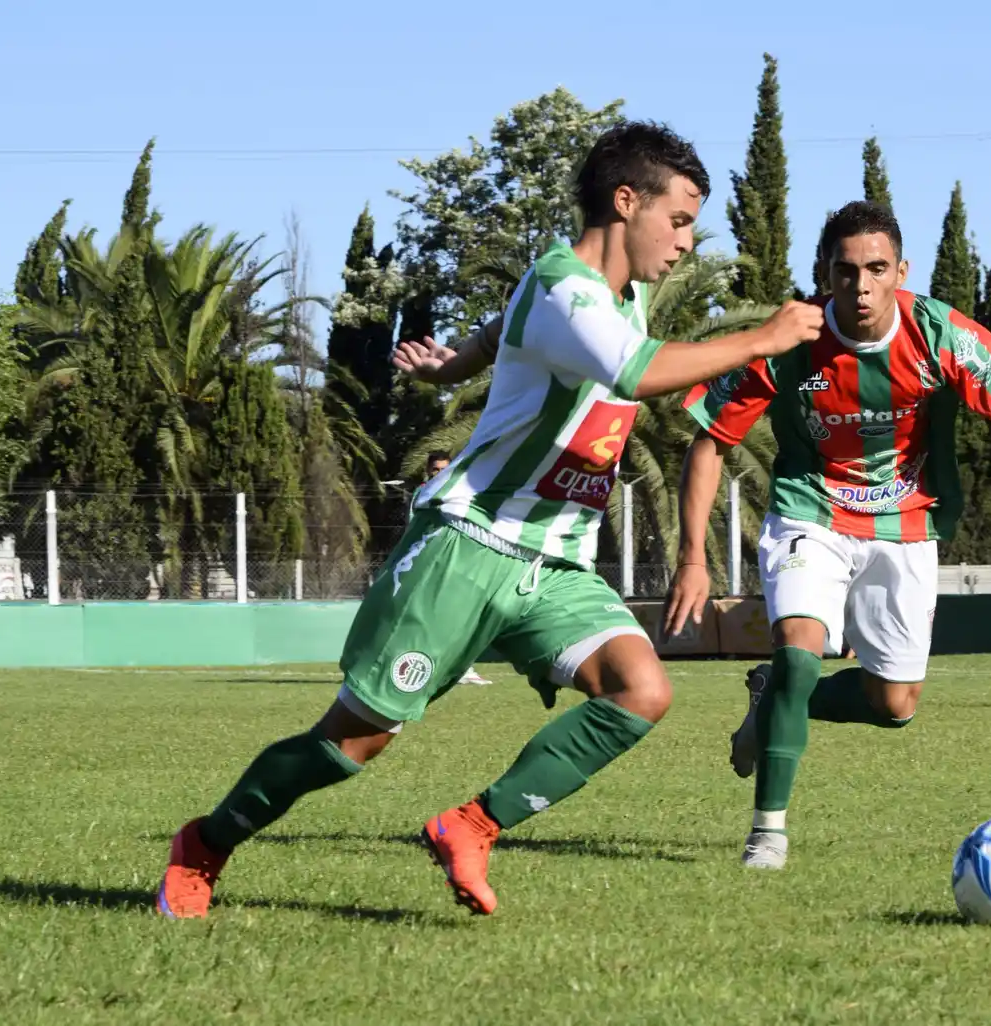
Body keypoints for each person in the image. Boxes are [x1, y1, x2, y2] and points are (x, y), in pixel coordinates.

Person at [157, 120, 825, 918]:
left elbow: (506, 325)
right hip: (470, 546)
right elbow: (632, 369)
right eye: (678, 219)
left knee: (641, 691)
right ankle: (205, 844)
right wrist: (763, 338)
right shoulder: (561, 285)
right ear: (626, 202)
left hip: (553, 561)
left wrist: (456, 365)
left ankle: (471, 826)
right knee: (352, 742)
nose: (686, 241)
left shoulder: (623, 293)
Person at [662, 200, 991, 870]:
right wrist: (692, 557)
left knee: (894, 704)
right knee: (801, 652)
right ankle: (767, 835)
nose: (861, 285)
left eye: (876, 269)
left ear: (901, 271)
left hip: (906, 523)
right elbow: (711, 442)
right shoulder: (788, 339)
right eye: (846, 270)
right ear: (825, 274)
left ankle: (775, 700)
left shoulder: (942, 335)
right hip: (810, 512)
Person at [414, 450, 492, 686]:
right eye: (435, 469)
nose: (439, 473)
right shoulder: (423, 494)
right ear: (428, 471)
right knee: (430, 617)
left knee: (460, 614)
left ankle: (461, 668)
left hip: (457, 560)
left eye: (444, 469)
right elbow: (415, 528)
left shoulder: (462, 492)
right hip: (430, 561)